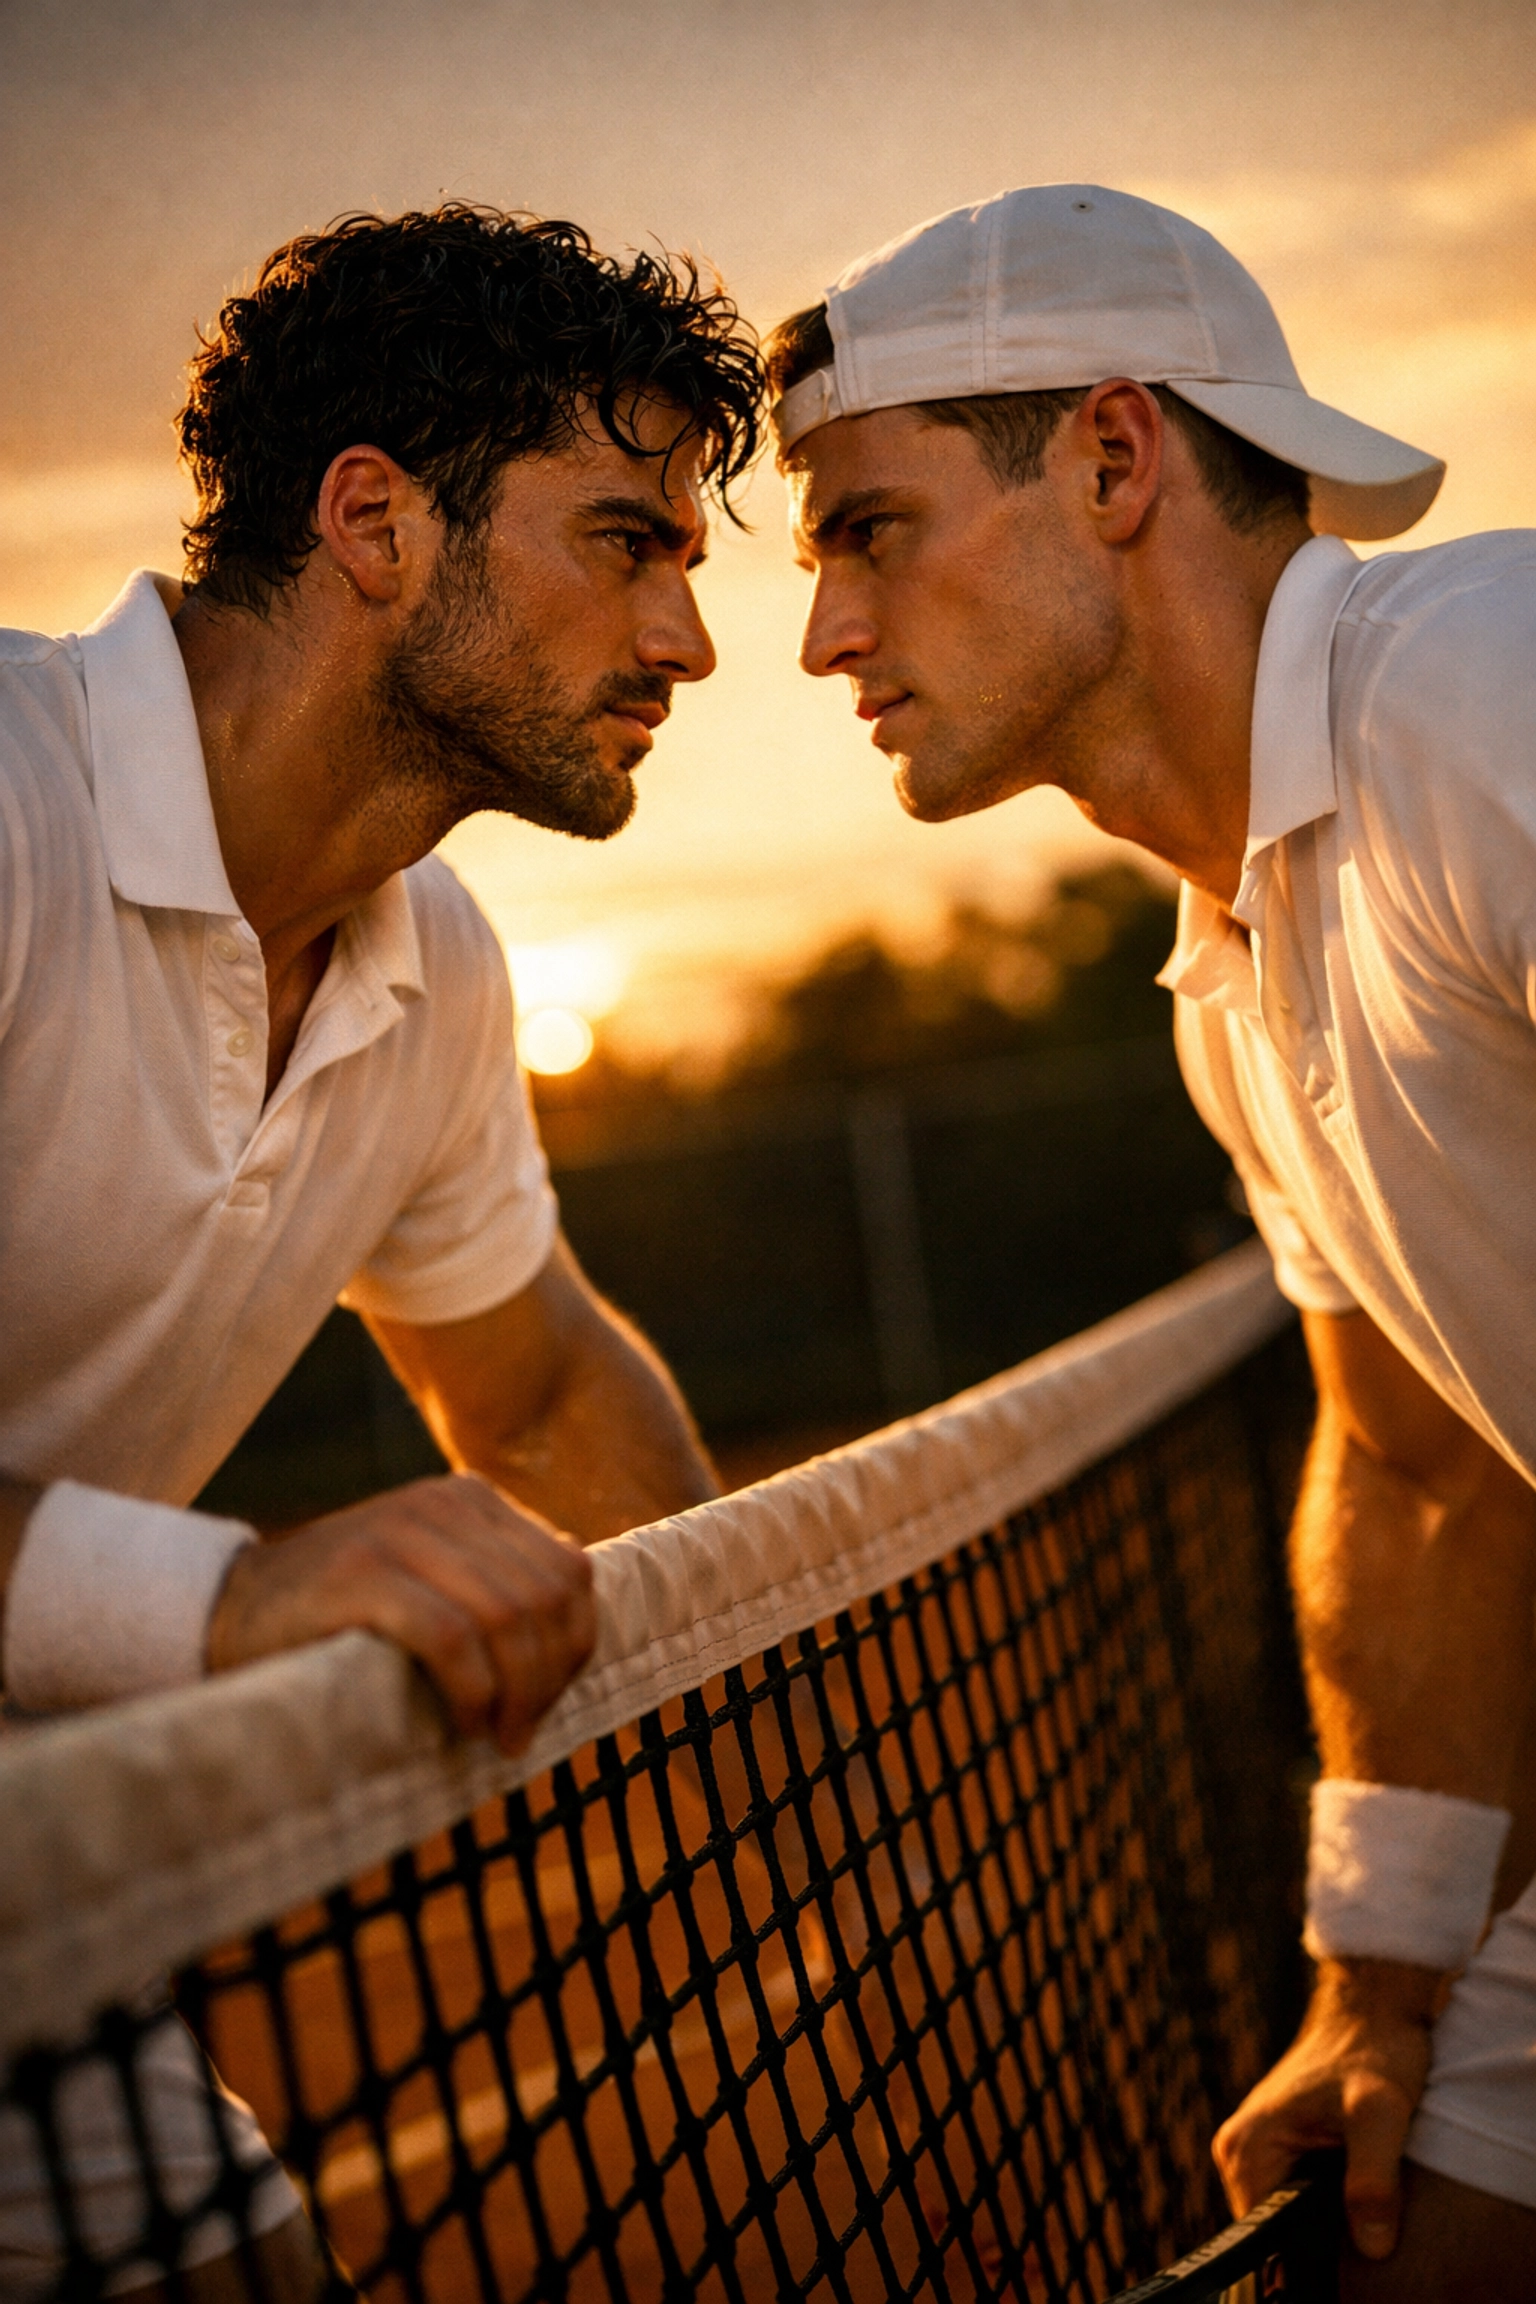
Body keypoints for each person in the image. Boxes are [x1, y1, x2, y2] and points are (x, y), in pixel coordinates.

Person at [765, 184, 1536, 2301]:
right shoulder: (1234, 970)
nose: (819, 634)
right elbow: (1421, 1469)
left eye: (867, 530)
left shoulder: (1479, 686)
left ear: (1114, 460)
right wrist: (1378, 1981)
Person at [0, 203, 761, 2299]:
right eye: (630, 539)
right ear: (373, 520)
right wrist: (227, 1593)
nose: (693, 642)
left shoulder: (441, 965)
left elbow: (525, 1382)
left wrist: (773, 1701)